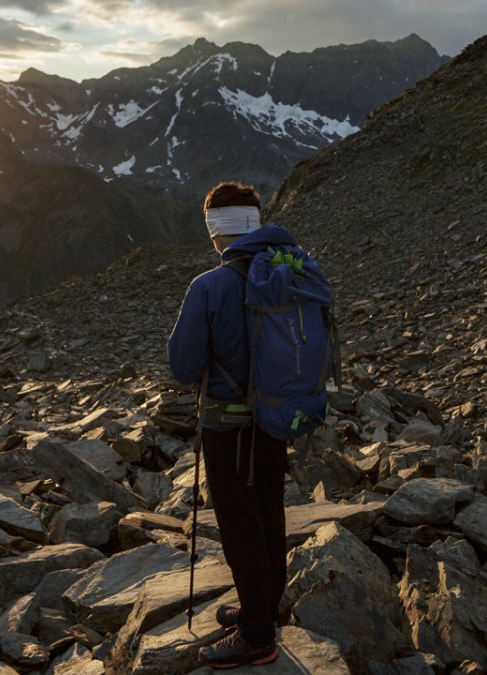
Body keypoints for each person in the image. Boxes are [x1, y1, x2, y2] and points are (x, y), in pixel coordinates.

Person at [168, 181, 298, 668]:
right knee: (269, 512)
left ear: (216, 231)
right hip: (277, 418)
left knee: (240, 523)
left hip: (227, 427)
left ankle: (258, 637)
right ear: (256, 222)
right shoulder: (290, 273)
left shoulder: (210, 286)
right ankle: (260, 608)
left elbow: (182, 367)